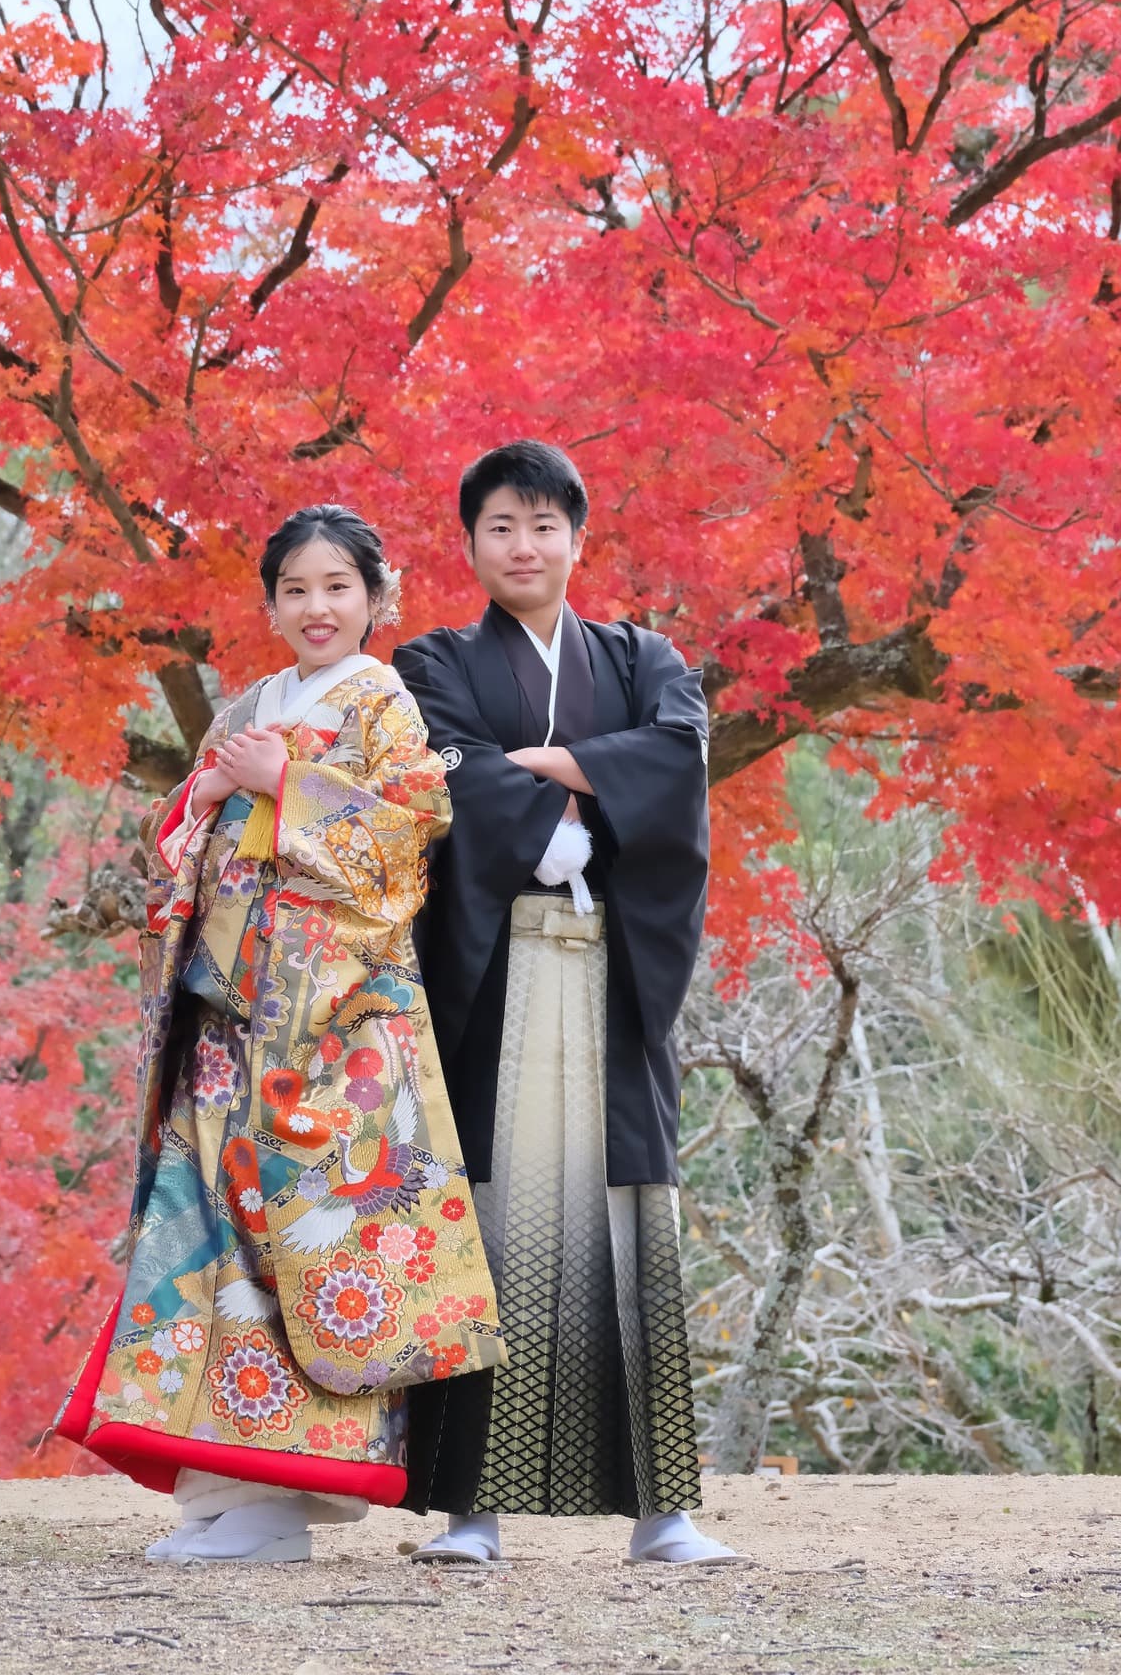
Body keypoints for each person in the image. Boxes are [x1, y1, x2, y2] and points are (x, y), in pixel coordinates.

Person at [54, 505, 506, 1565]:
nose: (317, 608)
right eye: (295, 590)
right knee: (211, 1241)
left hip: (330, 1028)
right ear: (269, 605)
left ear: (378, 597)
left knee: (300, 1243)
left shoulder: (386, 701)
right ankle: (219, 1482)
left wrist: (284, 786)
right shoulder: (251, 703)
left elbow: (406, 839)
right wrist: (209, 791)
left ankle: (280, 1497)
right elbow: (178, 847)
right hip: (227, 1018)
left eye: (339, 587)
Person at [392, 442, 741, 1567]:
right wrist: (577, 792)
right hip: (494, 974)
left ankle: (663, 1513)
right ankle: (470, 1511)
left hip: (610, 971)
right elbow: (449, 764)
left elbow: (680, 751)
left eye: (544, 525)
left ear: (579, 538)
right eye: (500, 525)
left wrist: (536, 760)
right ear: (472, 543)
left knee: (629, 1220)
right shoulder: (431, 656)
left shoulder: (646, 655)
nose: (523, 545)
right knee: (487, 1220)